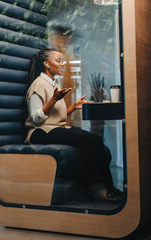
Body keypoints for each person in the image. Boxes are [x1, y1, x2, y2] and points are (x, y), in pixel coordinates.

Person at [25, 47, 123, 202]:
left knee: (98, 144)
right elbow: (36, 118)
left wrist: (73, 106)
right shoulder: (38, 84)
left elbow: (54, 116)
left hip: (54, 128)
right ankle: (98, 188)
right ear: (46, 64)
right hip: (40, 133)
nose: (63, 64)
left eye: (62, 60)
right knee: (93, 140)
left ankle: (102, 185)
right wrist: (54, 99)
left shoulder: (52, 84)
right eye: (58, 60)